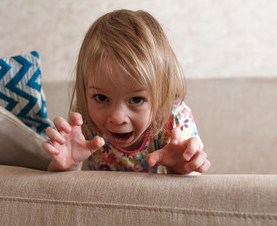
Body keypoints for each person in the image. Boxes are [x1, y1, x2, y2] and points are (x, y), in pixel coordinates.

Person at [42, 9, 210, 174]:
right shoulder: (83, 116)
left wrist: (180, 169)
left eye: (136, 99)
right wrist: (69, 166)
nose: (117, 117)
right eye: (101, 97)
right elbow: (66, 190)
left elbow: (193, 191)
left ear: (162, 96)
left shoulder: (174, 120)